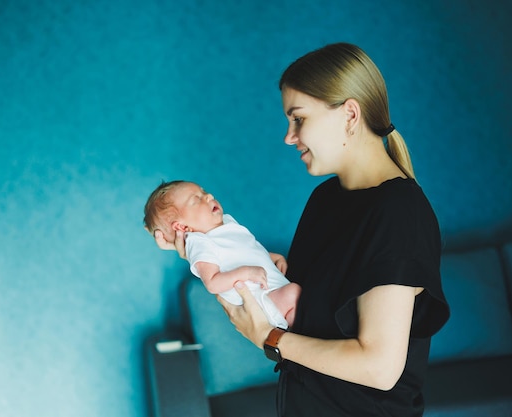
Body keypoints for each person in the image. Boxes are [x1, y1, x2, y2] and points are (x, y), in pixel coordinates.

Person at [154, 42, 450, 417]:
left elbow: (378, 368)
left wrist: (270, 339)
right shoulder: (326, 199)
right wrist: (202, 249)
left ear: (350, 114)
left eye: (299, 119)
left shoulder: (399, 213)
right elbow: (300, 317)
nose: (289, 137)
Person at [144, 180, 301, 329]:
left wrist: (274, 258)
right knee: (295, 295)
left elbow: (248, 250)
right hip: (264, 299)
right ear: (182, 227)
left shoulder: (227, 222)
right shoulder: (199, 242)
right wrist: (246, 272)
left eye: (204, 191)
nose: (209, 195)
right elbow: (212, 283)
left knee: (302, 297)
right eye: (196, 199)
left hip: (275, 287)